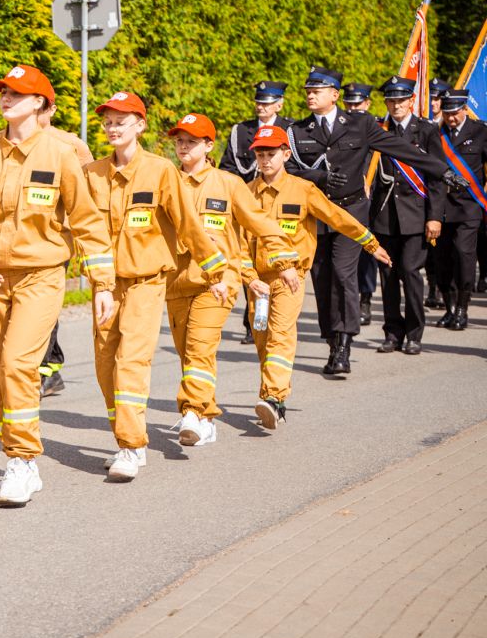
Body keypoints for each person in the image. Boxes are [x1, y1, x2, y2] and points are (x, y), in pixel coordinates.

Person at [0, 64, 115, 506]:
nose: (6, 98)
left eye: (17, 93)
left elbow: (88, 222)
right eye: (3, 91)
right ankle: (16, 458)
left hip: (41, 275)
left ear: (39, 103)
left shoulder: (60, 154)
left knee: (18, 363)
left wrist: (103, 284)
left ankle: (22, 459)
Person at [83, 92, 228, 481]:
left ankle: (131, 446)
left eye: (121, 121)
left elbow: (187, 224)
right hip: (105, 286)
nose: (112, 128)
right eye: (108, 122)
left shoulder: (160, 170)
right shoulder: (93, 173)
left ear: (140, 125)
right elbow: (80, 228)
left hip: (147, 282)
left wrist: (215, 271)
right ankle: (125, 437)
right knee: (105, 365)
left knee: (131, 361)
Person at [285, 66, 457, 376]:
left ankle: (344, 345)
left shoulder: (360, 124)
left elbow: (402, 149)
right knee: (322, 280)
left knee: (343, 274)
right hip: (317, 216)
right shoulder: (297, 131)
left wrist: (442, 170)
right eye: (308, 91)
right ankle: (332, 341)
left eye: (317, 91)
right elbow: (288, 170)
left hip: (351, 214)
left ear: (334, 95)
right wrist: (318, 176)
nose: (310, 95)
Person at [240, 126, 391, 429]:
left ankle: (273, 397)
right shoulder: (246, 192)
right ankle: (272, 399)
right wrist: (248, 276)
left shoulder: (303, 189)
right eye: (260, 154)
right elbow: (239, 239)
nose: (265, 160)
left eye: (271, 154)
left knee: (281, 335)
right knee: (263, 340)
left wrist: (369, 242)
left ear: (286, 154)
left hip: (290, 278)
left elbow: (337, 217)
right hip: (257, 281)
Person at [165, 113, 300, 447]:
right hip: (175, 281)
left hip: (217, 282)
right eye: (180, 141)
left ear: (209, 146)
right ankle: (207, 417)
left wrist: (284, 261)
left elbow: (259, 223)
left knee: (200, 346)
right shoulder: (166, 181)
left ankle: (192, 412)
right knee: (188, 353)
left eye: (192, 141)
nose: (184, 147)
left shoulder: (228, 184)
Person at [368, 77, 445, 353]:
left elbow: (436, 175)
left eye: (401, 100)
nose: (396, 105)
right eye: (391, 100)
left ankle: (414, 333)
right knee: (388, 275)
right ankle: (392, 333)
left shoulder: (426, 130)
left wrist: (434, 216)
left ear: (411, 100)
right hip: (384, 216)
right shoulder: (379, 129)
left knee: (411, 272)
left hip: (415, 215)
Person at [219, 80, 292, 344]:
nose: (261, 106)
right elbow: (228, 166)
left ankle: (277, 317)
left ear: (279, 105)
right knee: (247, 261)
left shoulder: (290, 129)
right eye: (259, 102)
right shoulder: (241, 130)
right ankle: (253, 322)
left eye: (267, 102)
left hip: (278, 204)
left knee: (274, 261)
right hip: (246, 202)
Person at [36, 103, 94, 397]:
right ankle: (50, 365)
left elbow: (88, 193)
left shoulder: (71, 145)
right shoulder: (10, 143)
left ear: (53, 109)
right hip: (22, 239)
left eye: (41, 107)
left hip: (57, 239)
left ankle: (42, 372)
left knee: (44, 305)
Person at [432, 89, 487, 331]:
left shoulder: (480, 131)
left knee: (464, 255)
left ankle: (463, 308)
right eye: (447, 113)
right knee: (442, 259)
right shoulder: (435, 132)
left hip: (468, 206)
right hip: (440, 207)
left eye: (455, 113)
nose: (451, 118)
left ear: (465, 109)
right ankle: (450, 307)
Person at [341, 81, 379, 325]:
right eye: (349, 104)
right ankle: (349, 300)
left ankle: (365, 298)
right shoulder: (340, 128)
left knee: (366, 252)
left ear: (367, 103)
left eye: (357, 104)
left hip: (371, 199)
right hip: (346, 200)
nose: (353, 109)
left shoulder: (376, 127)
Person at [425, 77, 453, 309]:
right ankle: (433, 289)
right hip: (427, 193)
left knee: (449, 249)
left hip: (454, 197)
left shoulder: (450, 127)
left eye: (437, 99)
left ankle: (450, 293)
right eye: (430, 98)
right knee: (430, 250)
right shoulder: (423, 125)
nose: (433, 103)